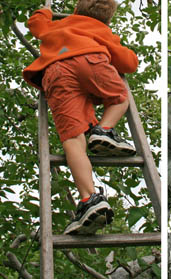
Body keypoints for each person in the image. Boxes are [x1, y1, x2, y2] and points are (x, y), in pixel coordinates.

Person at [22, 0, 139, 235]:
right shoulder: (102, 31)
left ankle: (89, 199)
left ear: (76, 10)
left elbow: (36, 24)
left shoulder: (59, 24)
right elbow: (129, 63)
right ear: (107, 19)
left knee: (73, 139)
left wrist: (45, 12)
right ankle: (104, 130)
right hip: (91, 61)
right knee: (119, 98)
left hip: (56, 72)